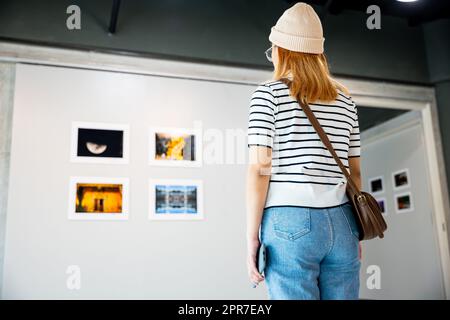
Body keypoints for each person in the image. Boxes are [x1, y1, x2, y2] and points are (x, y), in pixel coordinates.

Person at [246, 2, 362, 300]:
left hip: (289, 223)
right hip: (343, 220)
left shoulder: (268, 94)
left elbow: (260, 170)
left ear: (280, 51)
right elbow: (355, 171)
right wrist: (356, 228)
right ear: (319, 55)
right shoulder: (345, 101)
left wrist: (251, 237)